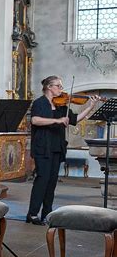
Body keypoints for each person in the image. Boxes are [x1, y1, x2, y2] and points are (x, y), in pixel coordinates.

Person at [27, 75, 99, 225]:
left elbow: (75, 119)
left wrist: (90, 106)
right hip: (42, 147)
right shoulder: (39, 103)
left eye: (61, 86)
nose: (61, 89)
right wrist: (57, 120)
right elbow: (35, 120)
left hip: (57, 147)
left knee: (52, 182)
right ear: (49, 87)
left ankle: (47, 213)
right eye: (58, 86)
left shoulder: (61, 106)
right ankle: (32, 214)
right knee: (42, 180)